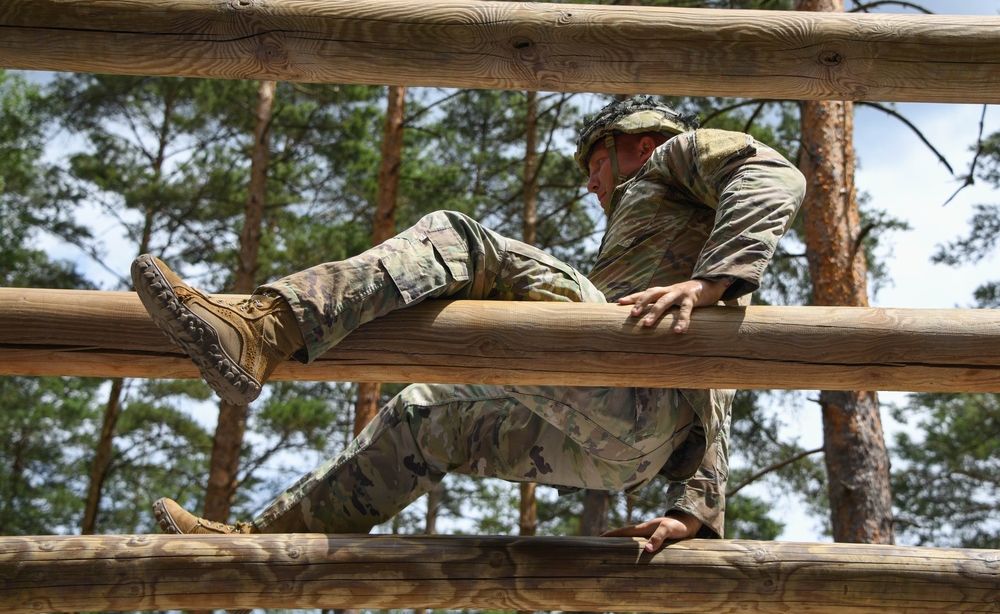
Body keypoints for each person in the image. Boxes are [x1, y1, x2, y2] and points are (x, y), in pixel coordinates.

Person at [133, 95, 806, 551]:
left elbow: (774, 174)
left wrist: (713, 277)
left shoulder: (675, 155)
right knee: (427, 414)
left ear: (633, 145)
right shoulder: (662, 232)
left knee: (463, 238)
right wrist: (700, 508)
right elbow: (717, 367)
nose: (591, 186)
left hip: (640, 389)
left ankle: (264, 325)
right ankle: (267, 545)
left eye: (594, 165)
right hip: (623, 440)